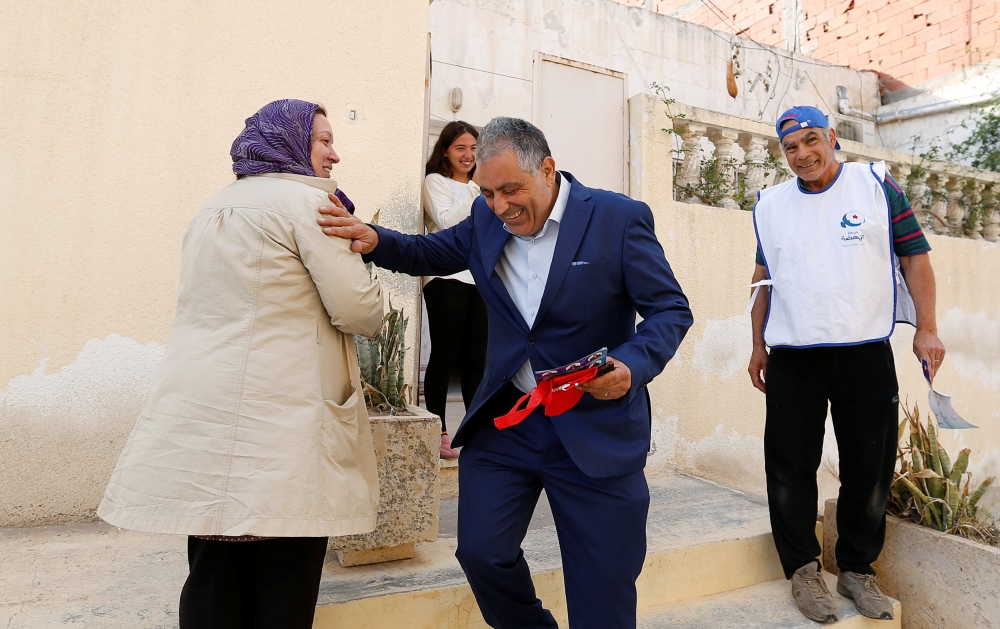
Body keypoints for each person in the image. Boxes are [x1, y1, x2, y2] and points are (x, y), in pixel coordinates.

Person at [317, 117, 692, 629]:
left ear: (547, 169)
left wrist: (632, 364)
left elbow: (670, 310)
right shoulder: (486, 217)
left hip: (594, 427)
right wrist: (372, 238)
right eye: (488, 192)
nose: (499, 206)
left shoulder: (617, 218)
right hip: (510, 422)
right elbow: (430, 251)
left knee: (602, 586)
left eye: (511, 190)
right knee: (481, 552)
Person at [97, 99, 384, 629]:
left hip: (206, 418)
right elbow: (361, 312)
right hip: (282, 424)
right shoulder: (311, 206)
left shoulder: (212, 208)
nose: (334, 155)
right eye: (324, 140)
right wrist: (368, 270)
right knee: (283, 580)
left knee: (213, 577)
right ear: (290, 141)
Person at [746, 106, 945, 624]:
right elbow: (763, 278)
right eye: (791, 147)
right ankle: (802, 569)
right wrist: (757, 344)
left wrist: (926, 327)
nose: (802, 154)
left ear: (833, 137)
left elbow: (915, 257)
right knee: (790, 466)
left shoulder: (875, 186)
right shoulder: (771, 204)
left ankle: (856, 569)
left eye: (811, 140)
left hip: (864, 352)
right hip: (793, 356)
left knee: (869, 465)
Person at [422, 121, 488, 459]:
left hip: (480, 278)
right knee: (444, 355)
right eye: (460, 147)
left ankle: (475, 432)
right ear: (445, 150)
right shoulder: (435, 182)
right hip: (445, 277)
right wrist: (476, 188)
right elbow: (447, 222)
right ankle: (440, 432)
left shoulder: (484, 189)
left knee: (478, 359)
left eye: (474, 148)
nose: (468, 155)